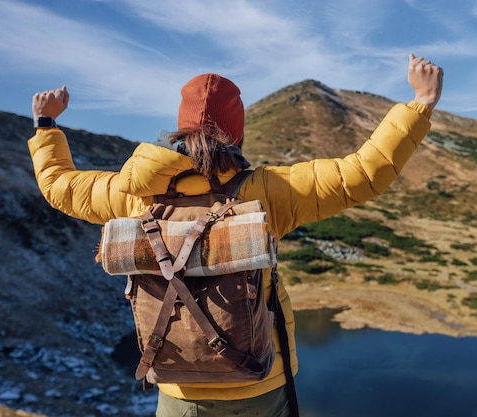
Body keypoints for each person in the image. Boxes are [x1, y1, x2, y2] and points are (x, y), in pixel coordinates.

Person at [28, 53, 443, 417]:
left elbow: (59, 186)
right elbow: (363, 173)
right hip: (259, 383)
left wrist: (47, 125)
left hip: (178, 389)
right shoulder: (266, 191)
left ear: (179, 130)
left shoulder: (134, 193)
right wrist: (418, 104)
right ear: (237, 133)